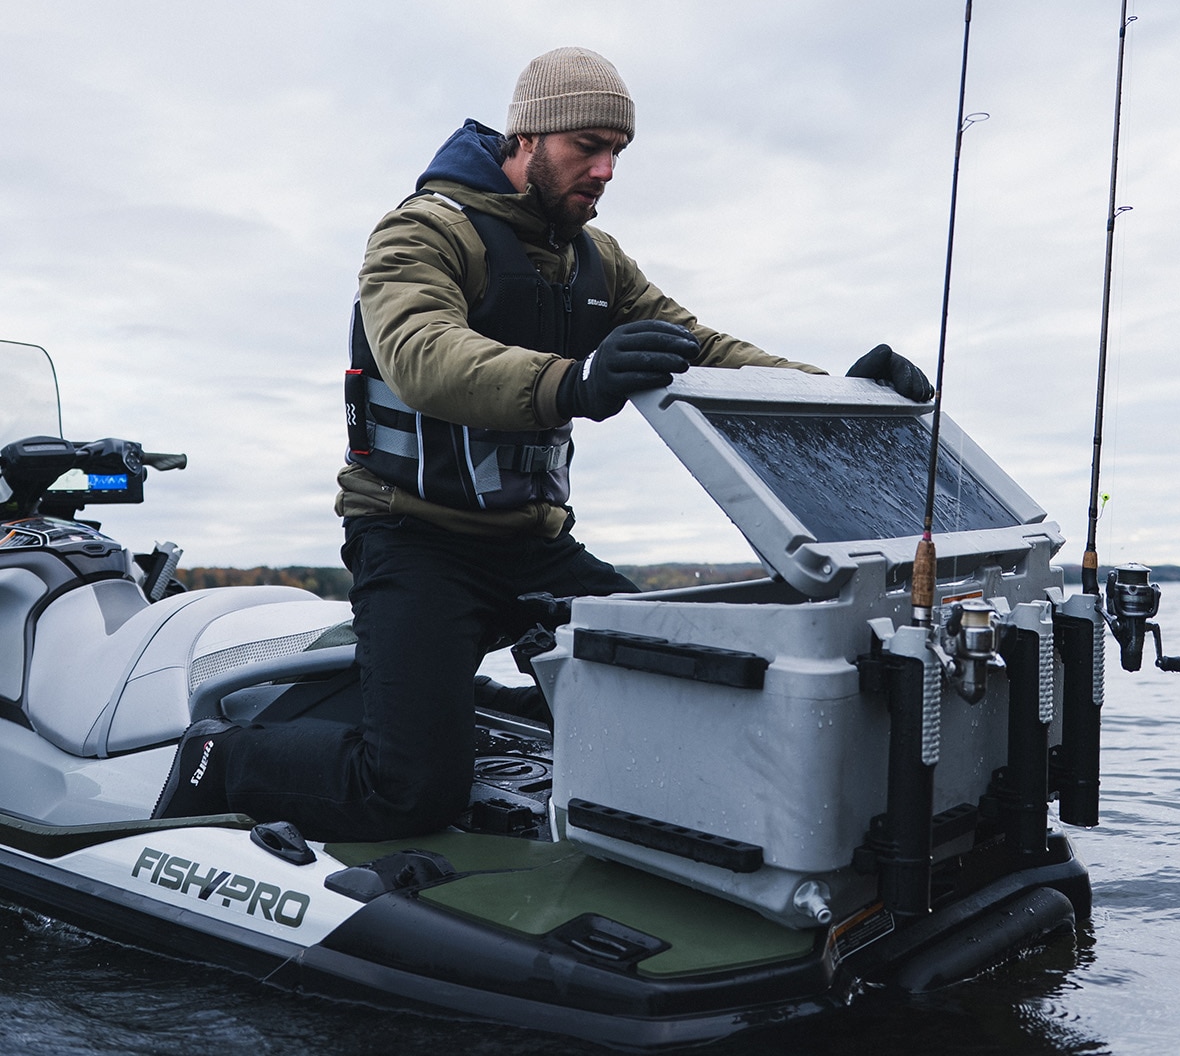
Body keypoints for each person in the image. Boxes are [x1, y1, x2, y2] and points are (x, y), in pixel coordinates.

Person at [153, 47, 932, 839]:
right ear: (526, 139)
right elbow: (424, 355)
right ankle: (222, 758)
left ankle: (468, 702)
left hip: (538, 549)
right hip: (415, 542)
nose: (606, 169)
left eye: (617, 152)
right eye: (586, 147)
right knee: (409, 791)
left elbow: (702, 346)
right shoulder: (419, 233)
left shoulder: (598, 260)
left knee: (688, 691)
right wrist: (576, 380)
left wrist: (835, 388)